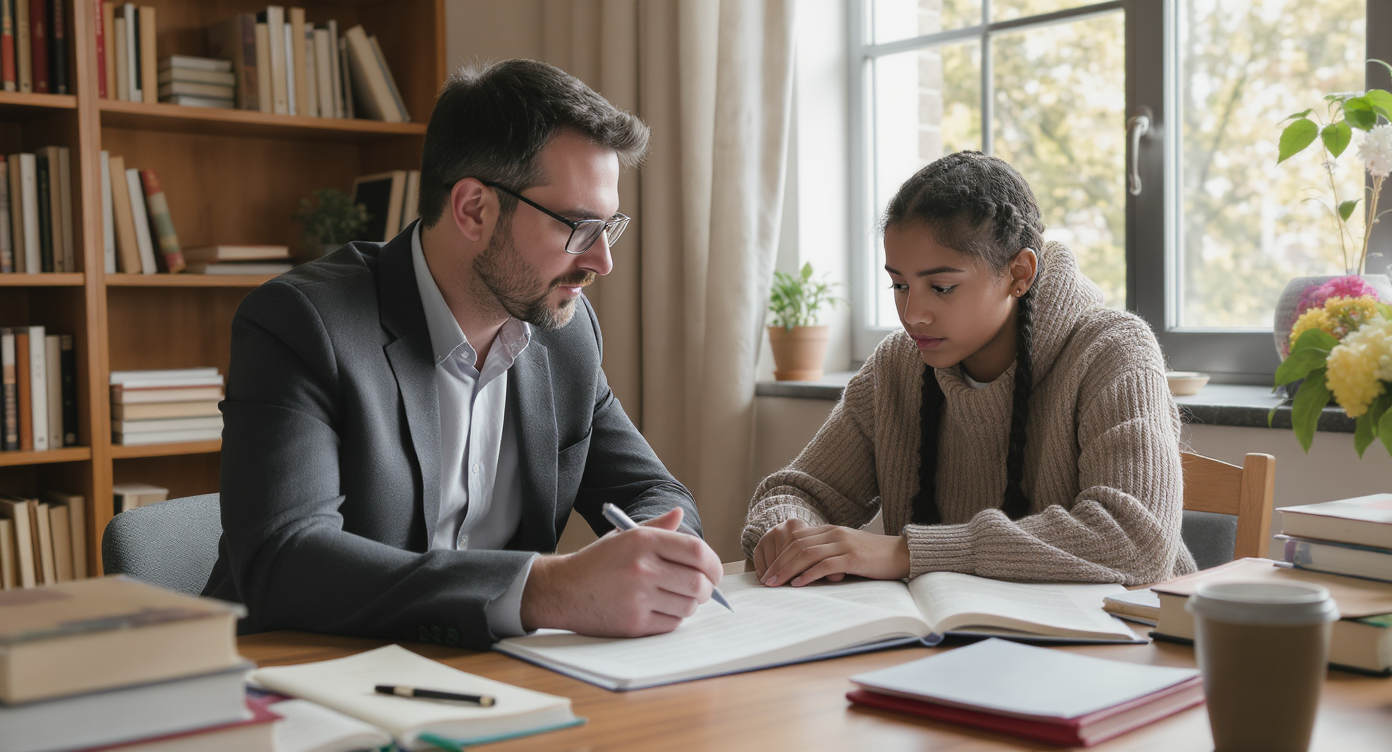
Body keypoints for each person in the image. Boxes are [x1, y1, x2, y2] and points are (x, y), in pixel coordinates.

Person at [203, 60, 723, 648]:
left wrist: (660, 559)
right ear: (473, 209)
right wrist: (545, 589)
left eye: (609, 227)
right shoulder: (303, 324)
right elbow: (284, 560)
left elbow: (656, 494)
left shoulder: (564, 334)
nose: (601, 260)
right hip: (301, 681)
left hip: (488, 676)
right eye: (578, 227)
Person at [743, 151, 1194, 589]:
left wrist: (907, 553)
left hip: (1124, 647)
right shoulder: (897, 364)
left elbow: (1138, 541)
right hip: (951, 643)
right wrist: (787, 531)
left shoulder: (1114, 351)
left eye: (942, 287)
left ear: (1020, 272)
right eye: (899, 284)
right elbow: (800, 491)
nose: (912, 313)